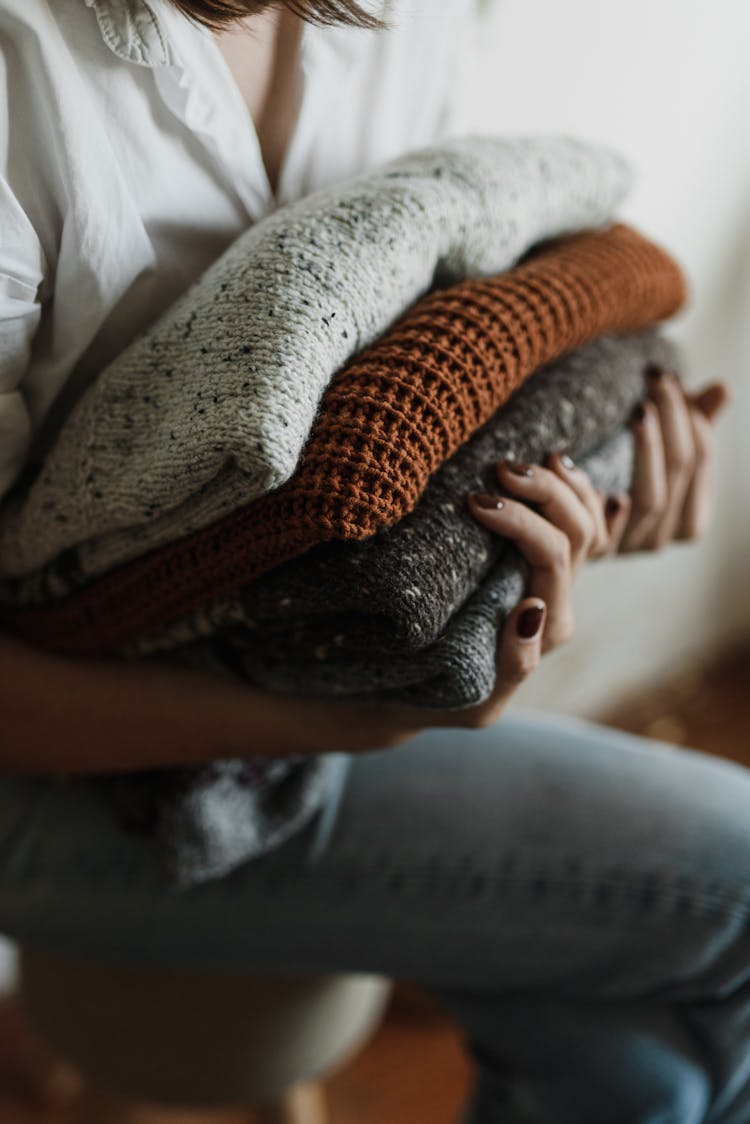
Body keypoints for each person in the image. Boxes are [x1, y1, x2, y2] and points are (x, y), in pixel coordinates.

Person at [0, 1, 745, 1120]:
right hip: (48, 767)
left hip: (312, 664)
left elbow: (422, 347)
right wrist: (368, 720)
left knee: (653, 1062)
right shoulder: (24, 80)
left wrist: (596, 490)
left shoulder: (415, 13)